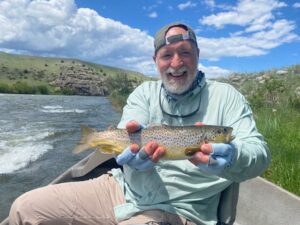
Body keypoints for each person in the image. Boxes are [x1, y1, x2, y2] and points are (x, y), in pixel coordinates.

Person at [9, 22, 270, 225]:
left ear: (198, 55)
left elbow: (258, 153)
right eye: (167, 55)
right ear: (155, 61)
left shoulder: (227, 96)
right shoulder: (143, 93)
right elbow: (130, 129)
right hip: (123, 189)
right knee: (24, 208)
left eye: (185, 53)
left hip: (180, 208)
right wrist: (130, 155)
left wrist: (235, 156)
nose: (176, 63)